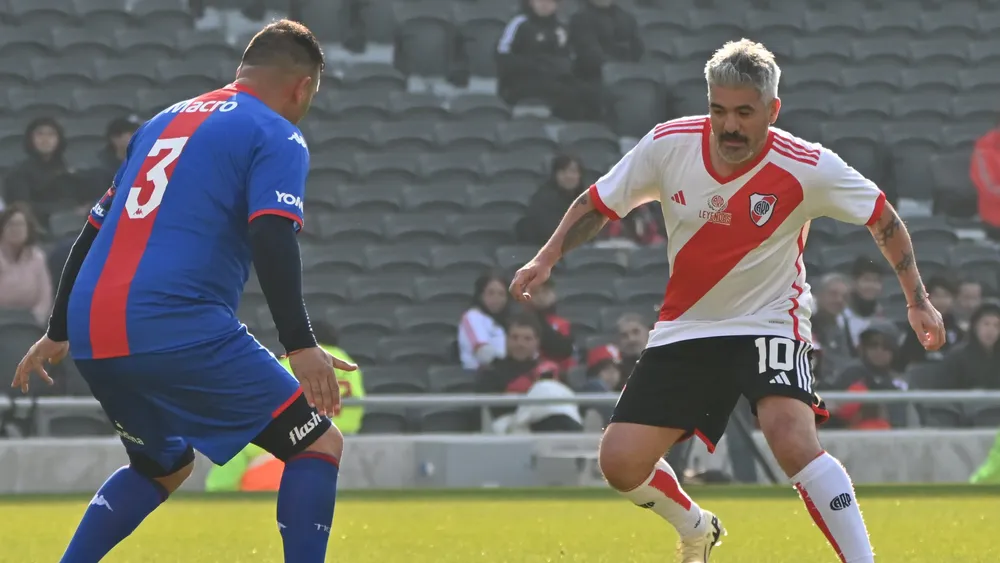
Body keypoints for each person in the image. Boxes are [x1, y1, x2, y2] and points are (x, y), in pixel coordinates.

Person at [509, 39, 946, 563]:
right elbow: (598, 203)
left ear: (772, 110)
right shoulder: (668, 145)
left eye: (744, 112)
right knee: (621, 463)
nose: (730, 125)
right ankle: (697, 528)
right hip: (687, 327)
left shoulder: (806, 165)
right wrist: (547, 256)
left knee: (790, 436)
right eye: (719, 110)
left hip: (769, 322)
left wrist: (916, 299)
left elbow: (884, 218)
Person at [11, 21, 351, 563]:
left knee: (161, 464)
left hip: (94, 329)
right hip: (174, 325)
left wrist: (58, 330)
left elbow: (92, 231)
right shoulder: (276, 133)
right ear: (302, 87)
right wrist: (300, 343)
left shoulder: (163, 122)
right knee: (318, 442)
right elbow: (271, 233)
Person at [495, 0, 602, 121]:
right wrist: (538, 64)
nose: (545, 4)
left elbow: (568, 58)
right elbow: (503, 57)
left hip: (555, 79)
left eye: (551, 1)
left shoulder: (561, 28)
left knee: (591, 94)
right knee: (568, 94)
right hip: (522, 80)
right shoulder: (519, 23)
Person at [894, 275, 963, 370]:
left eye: (946, 296)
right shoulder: (914, 328)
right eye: (937, 296)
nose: (941, 301)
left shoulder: (957, 331)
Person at [0, 204, 52, 325]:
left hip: (31, 324)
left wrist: (35, 319)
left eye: (20, 225)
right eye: (11, 224)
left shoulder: (37, 257)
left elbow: (45, 298)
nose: (16, 229)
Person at [569, 0, 644, 83]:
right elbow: (591, 57)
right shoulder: (580, 19)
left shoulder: (627, 18)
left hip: (628, 76)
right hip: (593, 80)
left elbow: (638, 51)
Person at [938, 300, 1000, 390]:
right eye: (986, 324)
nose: (991, 330)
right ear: (975, 326)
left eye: (996, 325)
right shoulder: (957, 356)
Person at [458, 270, 509, 370]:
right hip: (480, 375)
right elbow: (483, 353)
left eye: (501, 294)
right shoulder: (473, 316)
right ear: (481, 295)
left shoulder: (508, 320)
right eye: (491, 293)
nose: (496, 298)